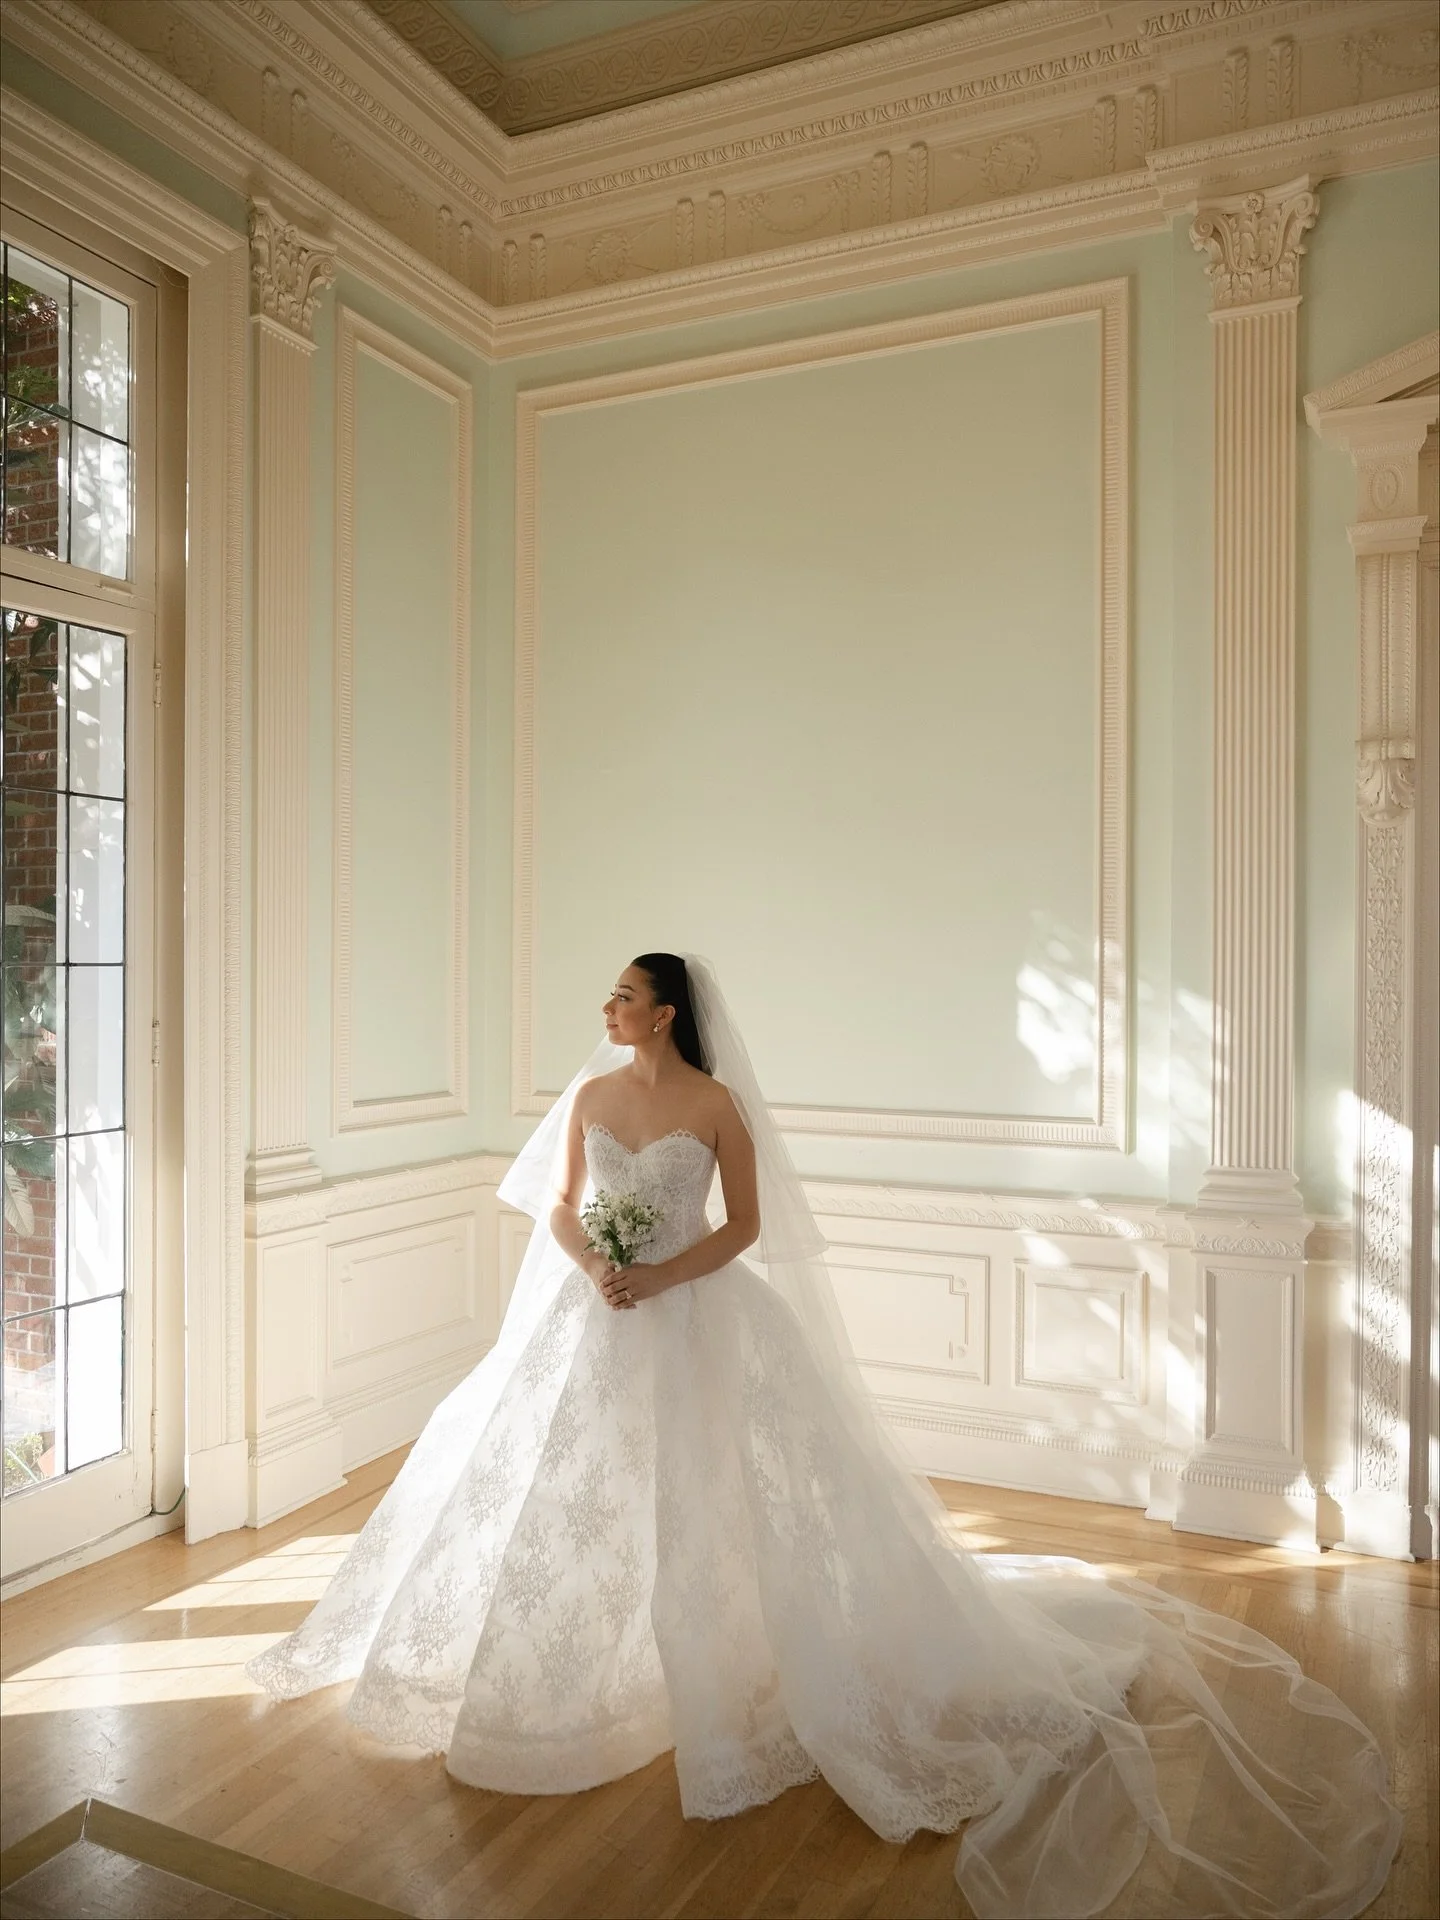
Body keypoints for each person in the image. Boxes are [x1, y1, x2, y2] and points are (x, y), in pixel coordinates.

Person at [249, 953, 1401, 1919]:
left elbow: (747, 1225)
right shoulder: (592, 1097)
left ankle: (717, 1661)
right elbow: (556, 1203)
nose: (606, 1008)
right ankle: (584, 1685)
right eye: (610, 996)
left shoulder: (714, 1106)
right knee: (569, 1490)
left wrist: (662, 1277)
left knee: (710, 1496)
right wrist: (599, 1266)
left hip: (690, 1312)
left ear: (665, 1013)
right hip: (594, 1310)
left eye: (623, 995)